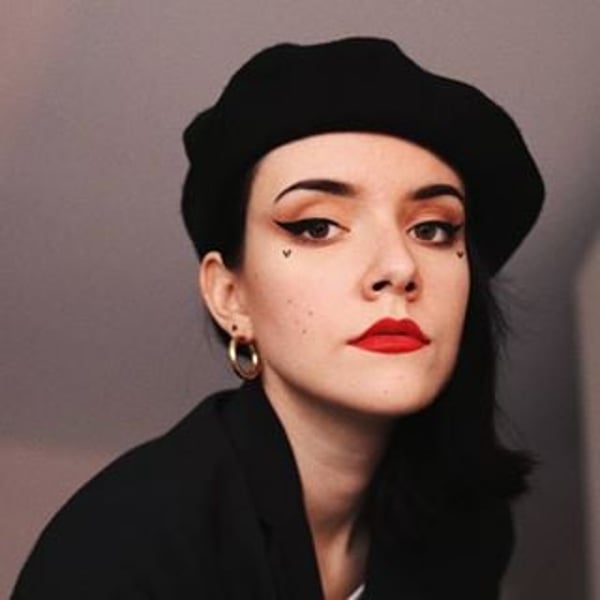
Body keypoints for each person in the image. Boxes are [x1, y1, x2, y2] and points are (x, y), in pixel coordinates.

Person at [12, 37, 544, 600]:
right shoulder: (120, 551)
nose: (399, 267)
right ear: (231, 297)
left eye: (432, 229)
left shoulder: (470, 532)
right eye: (317, 227)